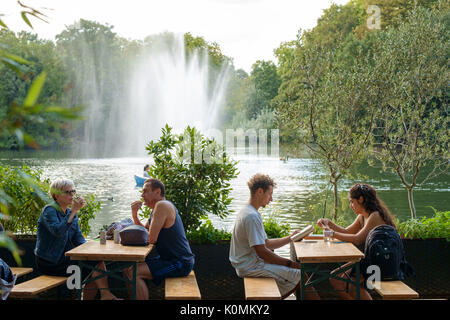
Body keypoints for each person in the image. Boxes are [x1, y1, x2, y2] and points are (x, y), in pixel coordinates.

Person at [229, 173, 319, 300]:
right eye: (270, 194)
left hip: (248, 265)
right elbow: (263, 253)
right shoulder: (251, 216)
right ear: (260, 191)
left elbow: (266, 244)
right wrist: (290, 264)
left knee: (299, 277)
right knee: (300, 275)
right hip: (251, 267)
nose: (271, 199)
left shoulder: (248, 211)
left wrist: (290, 238)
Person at [34, 178, 120, 300]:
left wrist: (97, 244)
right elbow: (58, 231)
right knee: (93, 265)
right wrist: (74, 211)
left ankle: (103, 295)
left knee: (96, 261)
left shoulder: (70, 213)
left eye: (73, 191)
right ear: (56, 195)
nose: (72, 195)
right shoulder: (50, 210)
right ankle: (104, 295)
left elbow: (79, 240)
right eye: (67, 192)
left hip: (66, 258)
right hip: (50, 262)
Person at [316, 183, 397, 300]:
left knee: (346, 282)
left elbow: (358, 239)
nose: (350, 206)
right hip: (369, 258)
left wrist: (332, 234)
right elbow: (347, 232)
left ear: (361, 199)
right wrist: (329, 223)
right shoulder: (363, 216)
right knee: (335, 279)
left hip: (383, 261)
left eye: (352, 202)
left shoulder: (375, 216)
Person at [124, 178, 195, 300]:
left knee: (133, 273)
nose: (142, 195)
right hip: (168, 259)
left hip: (179, 262)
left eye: (145, 191)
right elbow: (144, 231)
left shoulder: (162, 206)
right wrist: (134, 214)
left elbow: (151, 239)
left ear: (157, 192)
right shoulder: (155, 209)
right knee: (127, 270)